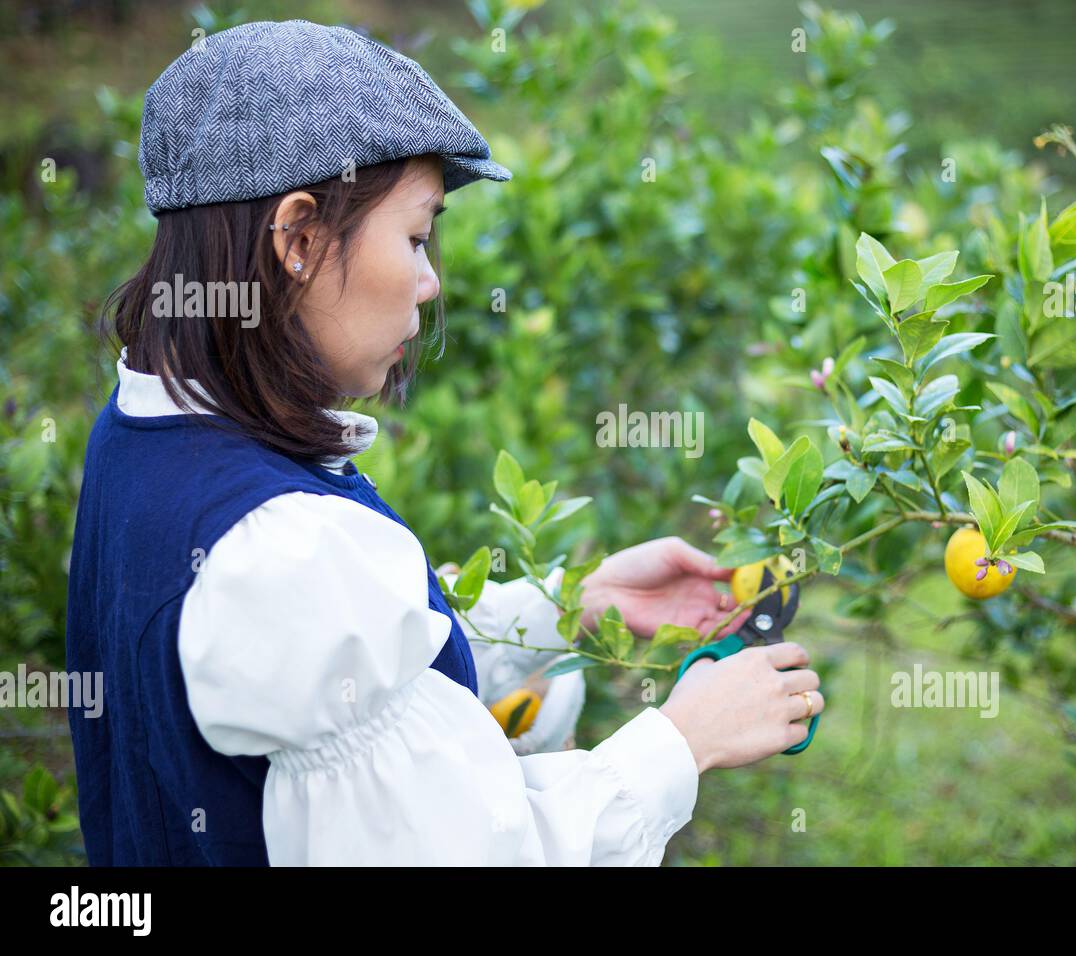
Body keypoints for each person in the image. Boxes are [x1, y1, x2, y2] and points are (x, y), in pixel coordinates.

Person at [65, 19, 823, 866]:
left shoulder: (143, 437)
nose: (429, 282)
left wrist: (568, 610)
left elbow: (357, 698)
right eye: (418, 236)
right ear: (298, 238)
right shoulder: (284, 545)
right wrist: (683, 744)